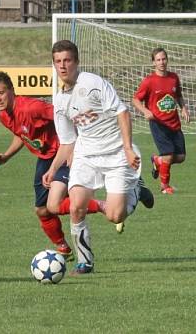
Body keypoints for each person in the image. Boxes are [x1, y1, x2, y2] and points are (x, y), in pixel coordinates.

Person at [0, 72, 153, 259]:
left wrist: (74, 146)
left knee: (60, 205)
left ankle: (106, 211)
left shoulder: (32, 107)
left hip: (64, 153)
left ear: (12, 91)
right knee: (43, 210)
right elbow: (21, 132)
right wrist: (7, 156)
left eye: (1, 93)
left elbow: (66, 116)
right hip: (45, 158)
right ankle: (64, 249)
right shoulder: (4, 115)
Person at [42, 40, 151, 275]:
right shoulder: (59, 101)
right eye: (58, 61)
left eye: (67, 60)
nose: (63, 66)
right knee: (76, 206)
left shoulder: (93, 83)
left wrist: (128, 148)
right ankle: (85, 261)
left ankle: (136, 190)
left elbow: (122, 113)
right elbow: (67, 141)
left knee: (115, 215)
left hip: (116, 154)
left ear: (76, 62)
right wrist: (53, 168)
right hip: (86, 155)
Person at [132, 48, 190, 194]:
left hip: (174, 123)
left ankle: (158, 161)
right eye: (158, 60)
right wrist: (145, 111)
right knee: (169, 155)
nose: (161, 62)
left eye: (163, 59)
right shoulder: (149, 81)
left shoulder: (173, 78)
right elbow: (135, 99)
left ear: (167, 60)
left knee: (181, 157)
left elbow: (178, 95)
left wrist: (183, 108)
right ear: (153, 62)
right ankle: (165, 186)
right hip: (158, 123)